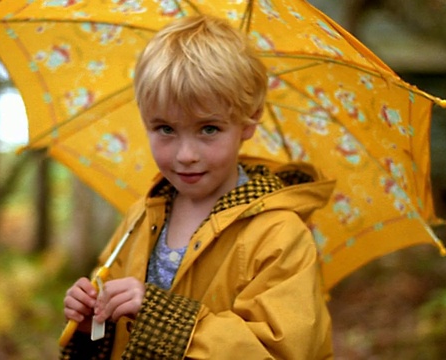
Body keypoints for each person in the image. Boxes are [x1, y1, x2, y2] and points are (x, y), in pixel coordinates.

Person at [60, 14, 335, 359]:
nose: (186, 155)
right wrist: (93, 324)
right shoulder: (141, 216)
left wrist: (161, 317)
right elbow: (113, 319)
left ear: (248, 120)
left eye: (208, 129)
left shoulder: (280, 235)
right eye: (165, 129)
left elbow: (279, 351)